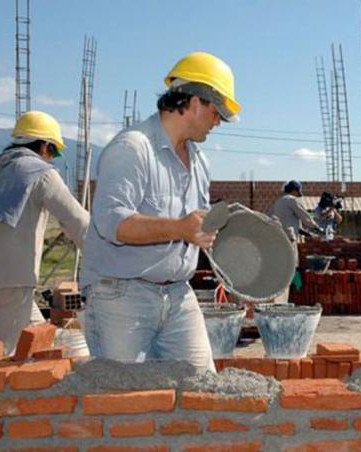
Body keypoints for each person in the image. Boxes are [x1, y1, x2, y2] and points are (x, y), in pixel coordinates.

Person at [80, 51, 241, 372]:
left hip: (179, 295)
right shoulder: (132, 149)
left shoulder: (199, 162)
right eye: (216, 111)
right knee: (124, 401)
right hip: (122, 297)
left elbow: (193, 226)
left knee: (202, 389)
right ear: (195, 101)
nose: (218, 121)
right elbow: (113, 224)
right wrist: (180, 228)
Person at [0, 111, 89, 354]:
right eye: (53, 152)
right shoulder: (39, 172)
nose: (51, 159)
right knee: (6, 358)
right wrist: (104, 260)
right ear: (44, 145)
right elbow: (77, 220)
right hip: (13, 281)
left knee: (40, 337)